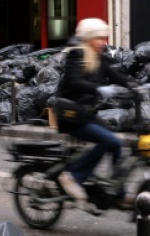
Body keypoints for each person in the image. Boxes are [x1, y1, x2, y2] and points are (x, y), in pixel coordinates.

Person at [56, 18, 136, 208]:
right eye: (98, 38)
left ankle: (119, 193)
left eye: (103, 37)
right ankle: (72, 176)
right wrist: (99, 88)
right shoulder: (77, 55)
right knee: (109, 141)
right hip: (71, 115)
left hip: (86, 114)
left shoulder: (100, 58)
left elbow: (117, 76)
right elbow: (75, 81)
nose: (103, 42)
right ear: (89, 38)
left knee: (116, 144)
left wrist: (138, 86)